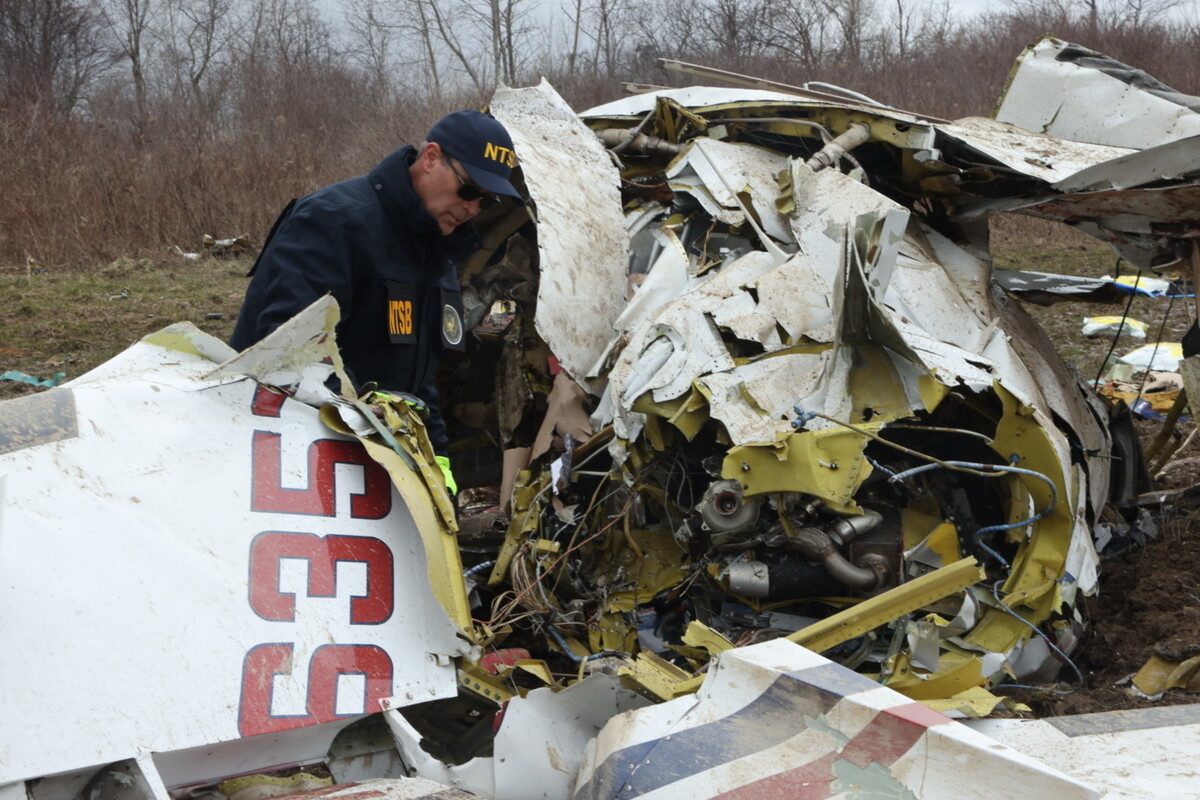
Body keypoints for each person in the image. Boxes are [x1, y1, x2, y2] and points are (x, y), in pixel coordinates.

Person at [229, 110, 523, 492]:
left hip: (369, 460)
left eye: (486, 200)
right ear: (431, 158)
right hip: (285, 451)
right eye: (468, 190)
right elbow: (289, 357)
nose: (473, 208)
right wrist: (372, 422)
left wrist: (438, 474)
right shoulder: (333, 221)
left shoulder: (438, 256)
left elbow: (418, 386)